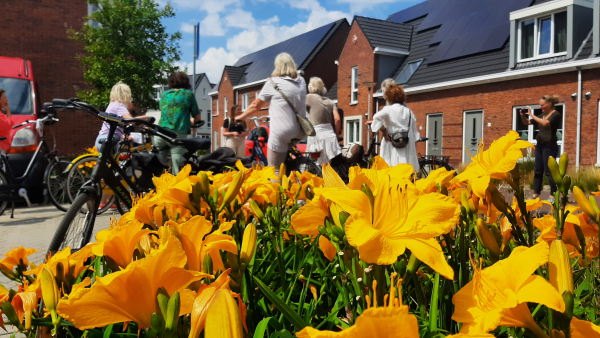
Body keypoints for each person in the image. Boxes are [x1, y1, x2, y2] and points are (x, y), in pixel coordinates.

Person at [236, 53, 307, 174]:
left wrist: (239, 117)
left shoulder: (273, 83)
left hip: (282, 132)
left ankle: (277, 190)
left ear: (277, 67)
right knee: (285, 154)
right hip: (301, 130)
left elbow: (255, 106)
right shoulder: (301, 81)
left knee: (274, 169)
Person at [95, 82, 150, 209]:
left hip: (101, 139)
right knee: (123, 167)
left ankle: (111, 199)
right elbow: (129, 120)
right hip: (109, 140)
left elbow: (117, 126)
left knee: (111, 171)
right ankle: (117, 197)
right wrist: (145, 117)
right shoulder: (120, 106)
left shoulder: (111, 105)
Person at [156, 72, 202, 174]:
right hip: (177, 136)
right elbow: (198, 118)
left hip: (160, 134)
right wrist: (190, 122)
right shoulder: (188, 94)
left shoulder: (164, 95)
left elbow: (167, 113)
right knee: (178, 170)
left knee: (158, 167)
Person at [367, 83, 420, 169]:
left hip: (391, 145)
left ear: (389, 98)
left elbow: (376, 117)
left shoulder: (388, 110)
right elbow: (415, 135)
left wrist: (384, 130)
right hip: (406, 146)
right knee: (405, 174)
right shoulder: (409, 112)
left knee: (390, 171)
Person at [519, 95, 561, 202]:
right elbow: (527, 123)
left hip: (549, 146)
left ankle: (553, 196)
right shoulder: (542, 115)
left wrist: (532, 114)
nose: (540, 106)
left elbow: (545, 123)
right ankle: (535, 194)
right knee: (538, 170)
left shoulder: (556, 114)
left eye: (542, 105)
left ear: (550, 104)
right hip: (540, 146)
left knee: (549, 171)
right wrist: (523, 116)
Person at [305, 77, 341, 165]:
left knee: (314, 165)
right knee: (327, 166)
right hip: (330, 136)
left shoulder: (309, 98)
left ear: (310, 87)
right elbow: (337, 119)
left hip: (317, 136)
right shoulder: (330, 102)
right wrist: (336, 134)